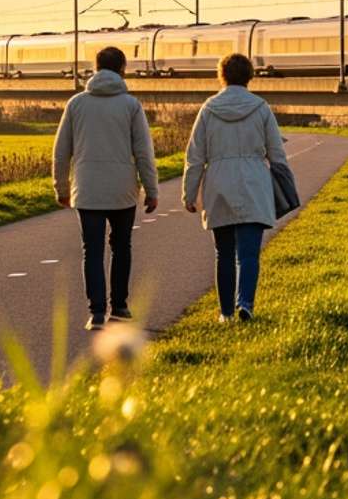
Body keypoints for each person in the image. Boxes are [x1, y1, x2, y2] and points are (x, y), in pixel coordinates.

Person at [52, 45, 159, 331]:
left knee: (92, 249)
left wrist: (61, 187)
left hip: (87, 189)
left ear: (96, 68)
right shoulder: (131, 105)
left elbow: (61, 152)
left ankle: (96, 313)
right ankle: (120, 307)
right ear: (123, 68)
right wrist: (152, 189)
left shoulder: (76, 104)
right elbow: (144, 153)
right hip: (122, 190)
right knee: (121, 247)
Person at [182, 52, 286, 323]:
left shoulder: (208, 108)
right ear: (250, 76)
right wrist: (286, 188)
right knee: (249, 253)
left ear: (222, 75)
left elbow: (195, 156)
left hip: (218, 182)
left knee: (223, 253)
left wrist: (189, 193)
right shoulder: (261, 107)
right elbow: (277, 154)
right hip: (253, 182)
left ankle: (226, 313)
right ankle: (246, 305)